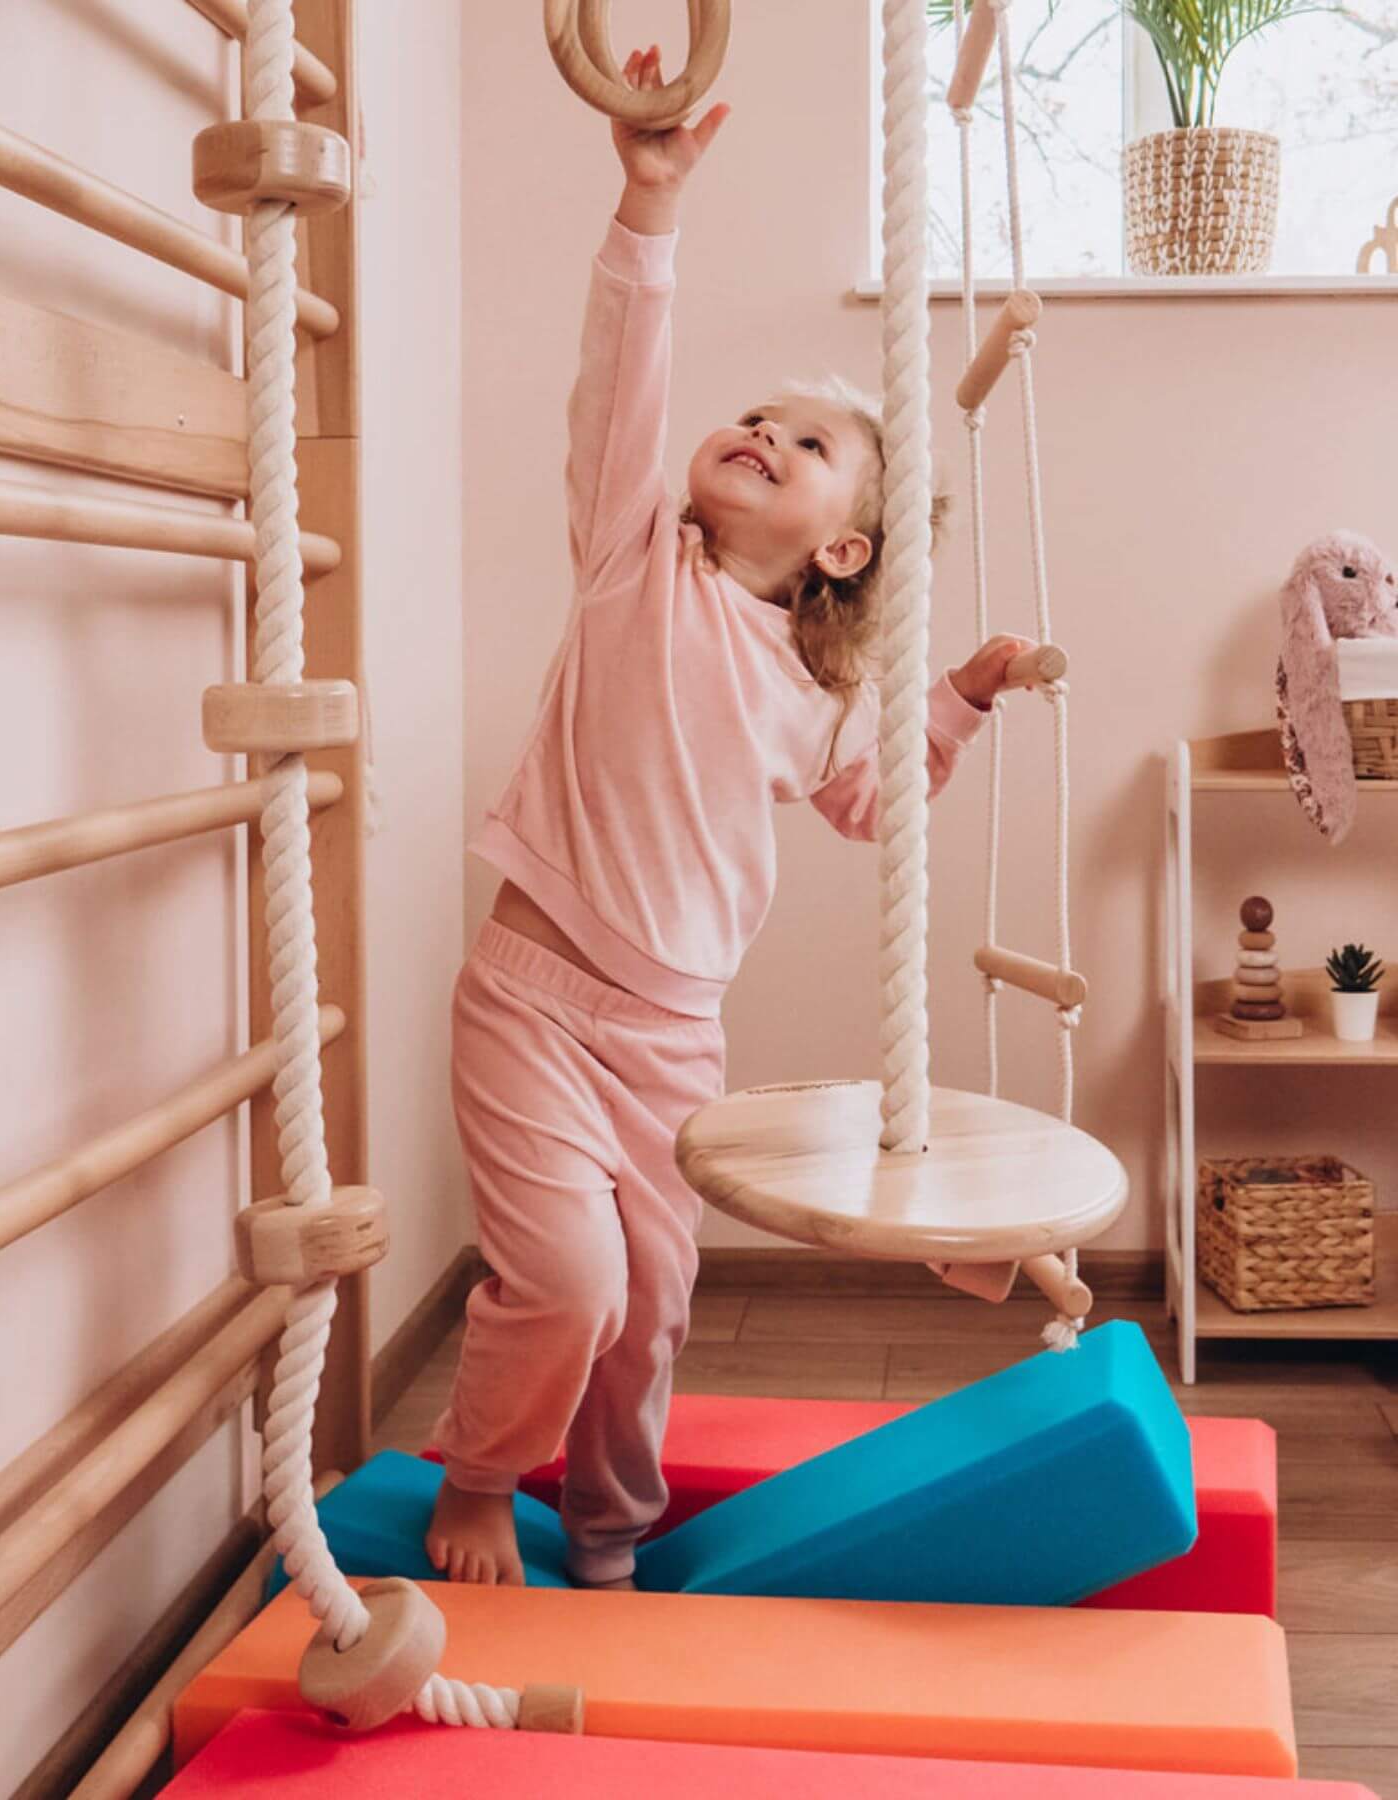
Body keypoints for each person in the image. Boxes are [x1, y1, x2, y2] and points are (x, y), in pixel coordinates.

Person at [428, 46, 1028, 1589]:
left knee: (654, 1302)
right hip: (533, 1004)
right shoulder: (639, 559)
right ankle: (485, 1476)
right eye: (757, 416)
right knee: (565, 1282)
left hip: (674, 1034)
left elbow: (873, 809)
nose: (760, 430)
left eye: (807, 446)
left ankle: (614, 1537)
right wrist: (650, 205)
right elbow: (623, 373)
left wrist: (952, 699)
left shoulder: (815, 692)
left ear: (840, 555)